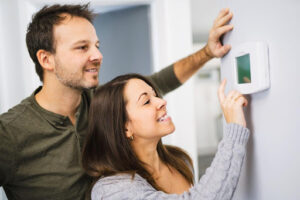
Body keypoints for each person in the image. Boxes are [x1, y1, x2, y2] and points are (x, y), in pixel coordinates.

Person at [0, 3, 234, 200]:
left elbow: (160, 81)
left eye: (97, 46)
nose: (98, 55)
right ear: (46, 59)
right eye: (82, 47)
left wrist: (207, 52)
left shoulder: (101, 104)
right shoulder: (9, 134)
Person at [82, 74, 250, 200]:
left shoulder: (178, 160)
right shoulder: (111, 190)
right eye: (146, 101)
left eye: (155, 95)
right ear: (124, 128)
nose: (161, 102)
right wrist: (234, 132)